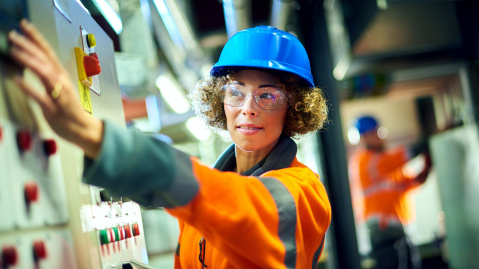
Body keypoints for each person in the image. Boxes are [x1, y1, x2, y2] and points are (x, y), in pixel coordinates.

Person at [8, 20, 331, 268]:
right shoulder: (208, 198)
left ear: (295, 108)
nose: (248, 107)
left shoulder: (302, 192)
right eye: (236, 91)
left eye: (268, 95)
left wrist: (90, 133)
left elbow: (239, 205)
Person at [348, 115, 432, 269]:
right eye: (375, 133)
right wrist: (430, 140)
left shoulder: (386, 164)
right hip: (383, 232)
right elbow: (406, 154)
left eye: (379, 132)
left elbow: (413, 181)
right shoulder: (365, 161)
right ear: (363, 138)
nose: (380, 137)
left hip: (401, 232)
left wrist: (428, 164)